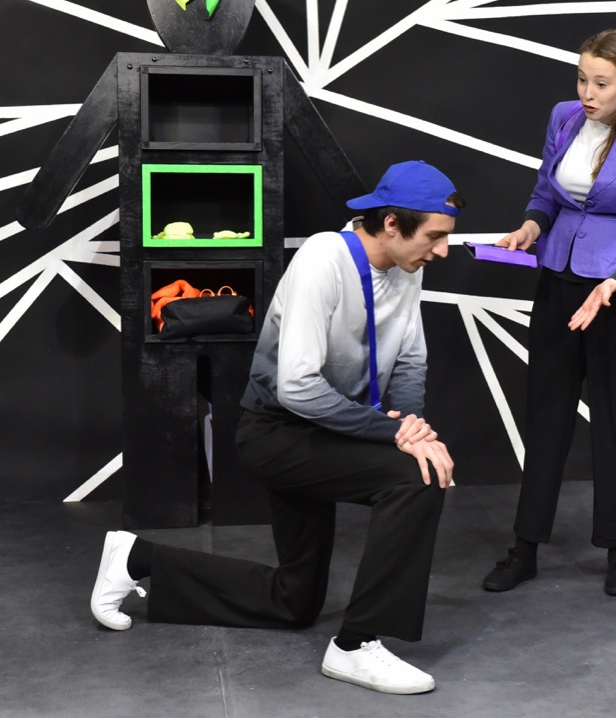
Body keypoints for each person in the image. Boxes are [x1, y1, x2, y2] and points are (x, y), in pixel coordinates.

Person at [91, 160, 466, 694]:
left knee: (294, 601)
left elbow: (410, 359)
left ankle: (135, 558)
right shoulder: (323, 259)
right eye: (435, 236)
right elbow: (297, 388)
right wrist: (395, 436)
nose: (442, 250)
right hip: (277, 434)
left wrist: (411, 427)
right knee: (417, 478)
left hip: (331, 431)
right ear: (391, 224)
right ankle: (355, 645)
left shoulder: (408, 266)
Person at [482, 29, 616, 598]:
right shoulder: (564, 117)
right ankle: (525, 548)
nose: (587, 93)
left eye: (601, 83)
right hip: (560, 281)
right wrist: (530, 227)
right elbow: (546, 193)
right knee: (546, 413)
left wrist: (614, 284)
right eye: (581, 79)